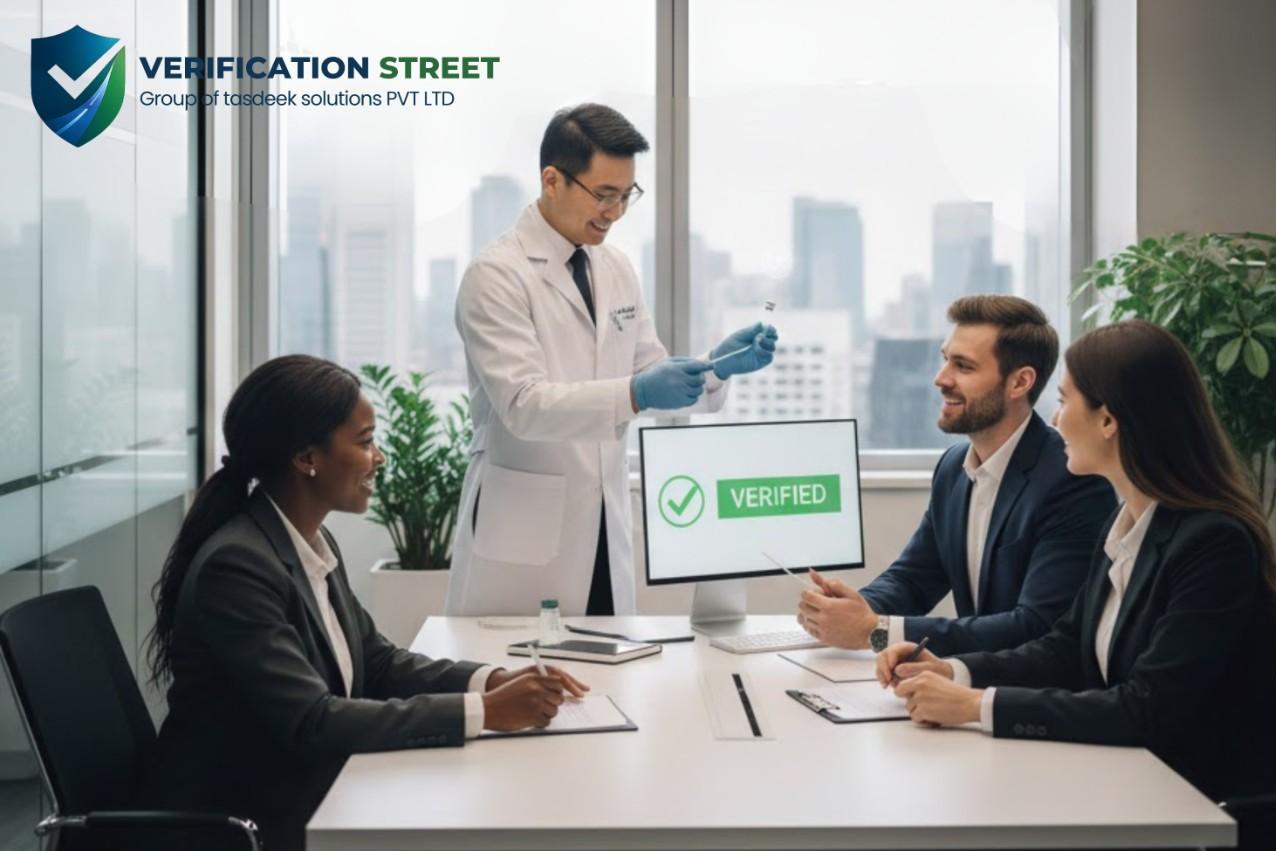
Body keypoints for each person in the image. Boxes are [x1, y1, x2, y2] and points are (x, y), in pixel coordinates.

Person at [877, 319, 1276, 847]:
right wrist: (954, 670)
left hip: (1201, 808)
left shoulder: (1213, 545)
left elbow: (1145, 708)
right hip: (1132, 782)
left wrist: (974, 706)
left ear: (1108, 420)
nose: (1054, 419)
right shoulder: (1128, 522)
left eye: (1063, 400)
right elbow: (1064, 647)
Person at [143, 355, 588, 851]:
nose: (378, 457)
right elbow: (312, 721)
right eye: (365, 442)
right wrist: (482, 711)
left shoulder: (308, 541)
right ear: (307, 457)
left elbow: (375, 662)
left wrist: (491, 680)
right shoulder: (238, 568)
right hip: (246, 820)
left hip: (306, 791)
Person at [448, 103, 777, 617]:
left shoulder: (615, 267)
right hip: (524, 534)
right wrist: (635, 393)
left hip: (604, 523)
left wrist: (717, 365)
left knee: (611, 680)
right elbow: (523, 404)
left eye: (626, 196)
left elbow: (652, 369)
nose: (615, 212)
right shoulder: (496, 276)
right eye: (603, 195)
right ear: (552, 180)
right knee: (515, 680)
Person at [797, 295, 1115, 656]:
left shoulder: (1072, 479)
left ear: (1020, 382)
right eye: (945, 360)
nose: (940, 379)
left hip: (1027, 698)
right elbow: (914, 579)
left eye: (963, 366)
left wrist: (876, 631)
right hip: (965, 684)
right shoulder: (953, 468)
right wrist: (850, 609)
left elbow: (1035, 626)